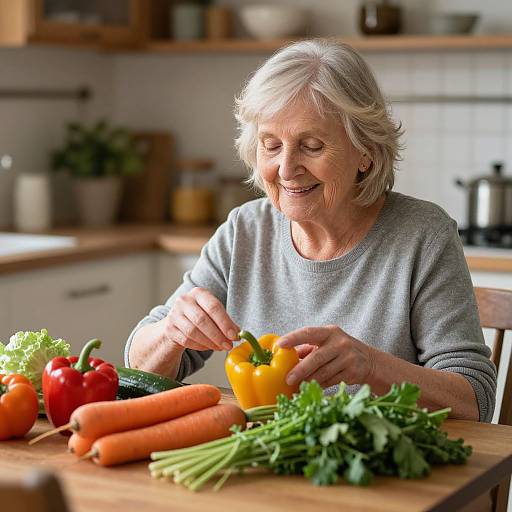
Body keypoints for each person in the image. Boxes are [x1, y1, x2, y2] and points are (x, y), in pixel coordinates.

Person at [125, 39, 496, 422]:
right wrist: (171, 332)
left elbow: (475, 401)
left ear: (364, 151)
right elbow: (139, 365)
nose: (286, 168)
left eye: (312, 146)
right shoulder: (244, 231)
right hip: (266, 467)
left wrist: (372, 366)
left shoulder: (423, 236)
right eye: (271, 146)